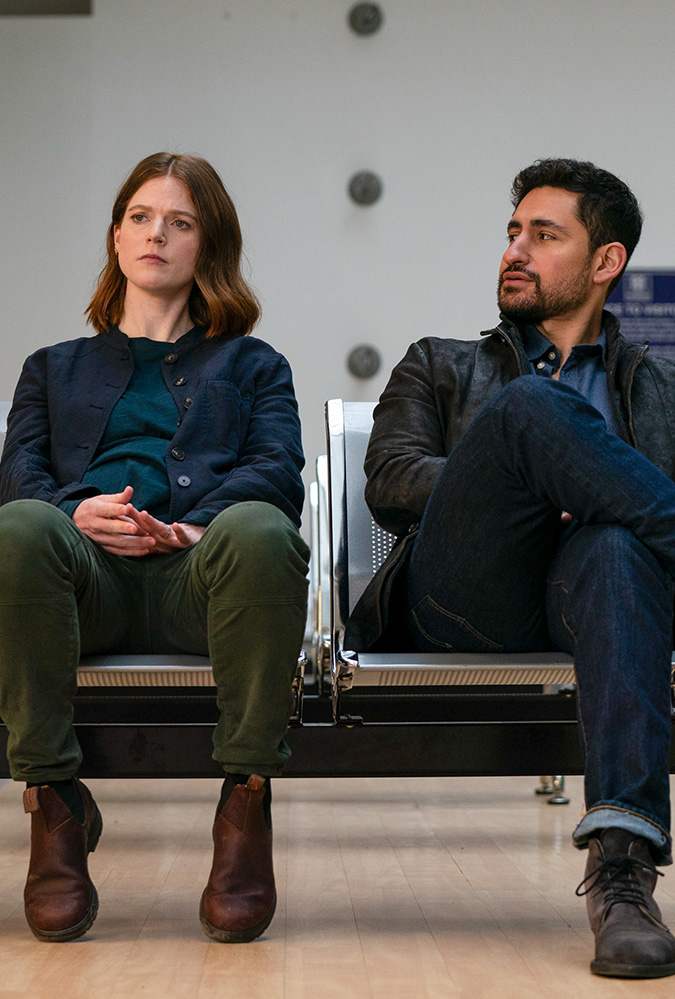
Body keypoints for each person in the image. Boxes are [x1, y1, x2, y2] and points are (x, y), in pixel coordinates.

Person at [345, 158, 675, 979]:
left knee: (611, 546)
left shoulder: (661, 386)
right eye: (511, 233)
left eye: (543, 234)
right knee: (529, 410)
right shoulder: (441, 361)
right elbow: (388, 479)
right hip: (464, 594)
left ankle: (623, 868)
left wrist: (591, 496)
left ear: (606, 262)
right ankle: (535, 445)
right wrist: (520, 470)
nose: (514, 251)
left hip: (595, 603)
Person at [0, 152, 309, 945]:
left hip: (197, 583)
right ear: (115, 236)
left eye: (179, 222)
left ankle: (246, 795)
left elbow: (275, 472)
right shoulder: (51, 367)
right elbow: (20, 476)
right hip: (80, 581)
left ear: (207, 246)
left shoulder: (254, 364)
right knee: (20, 526)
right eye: (140, 217)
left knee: (262, 528)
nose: (155, 234)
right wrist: (78, 513)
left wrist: (189, 527)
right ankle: (53, 799)